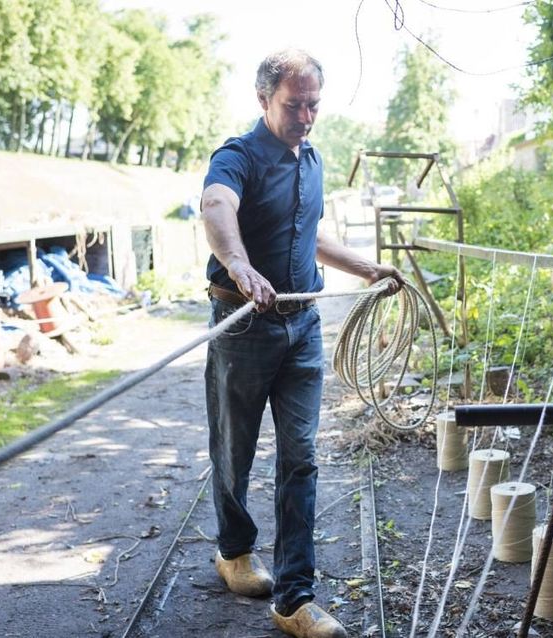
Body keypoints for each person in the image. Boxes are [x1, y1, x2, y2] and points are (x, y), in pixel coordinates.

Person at [200, 49, 403, 638]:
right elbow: (217, 207)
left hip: (302, 329)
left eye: (314, 103)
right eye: (295, 104)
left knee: (302, 457)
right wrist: (239, 266)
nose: (307, 115)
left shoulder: (311, 159)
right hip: (242, 325)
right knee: (234, 448)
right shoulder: (236, 158)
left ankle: (293, 598)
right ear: (264, 100)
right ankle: (235, 551)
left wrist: (368, 267)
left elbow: (308, 233)